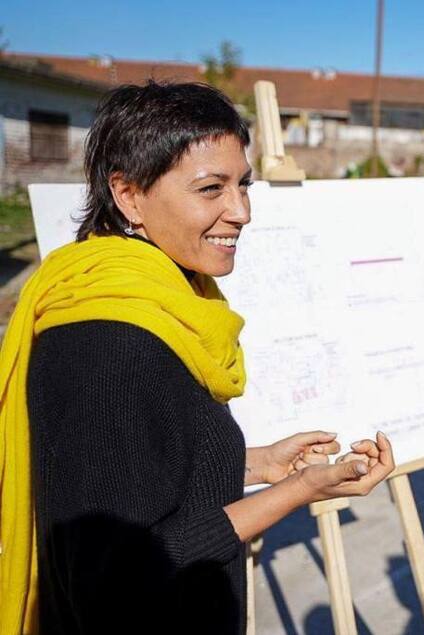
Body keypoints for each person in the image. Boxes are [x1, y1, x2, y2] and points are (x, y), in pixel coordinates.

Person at [0, 82, 395, 635]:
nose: (242, 212)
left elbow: (135, 472)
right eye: (211, 189)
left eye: (243, 185)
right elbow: (114, 578)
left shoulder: (163, 304)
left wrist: (258, 464)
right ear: (129, 195)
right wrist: (296, 492)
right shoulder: (106, 343)